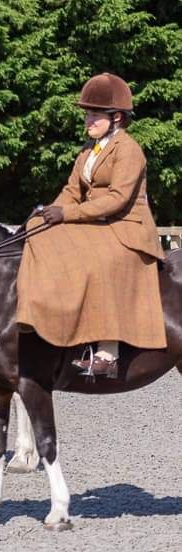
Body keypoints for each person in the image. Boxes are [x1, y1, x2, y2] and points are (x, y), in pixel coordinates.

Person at [18, 73, 165, 377]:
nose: (88, 120)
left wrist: (67, 215)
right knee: (38, 232)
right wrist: (50, 213)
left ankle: (108, 353)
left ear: (117, 117)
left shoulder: (129, 150)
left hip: (127, 228)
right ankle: (35, 315)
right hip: (98, 222)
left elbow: (117, 198)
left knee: (99, 259)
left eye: (94, 114)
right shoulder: (89, 150)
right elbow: (72, 191)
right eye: (87, 113)